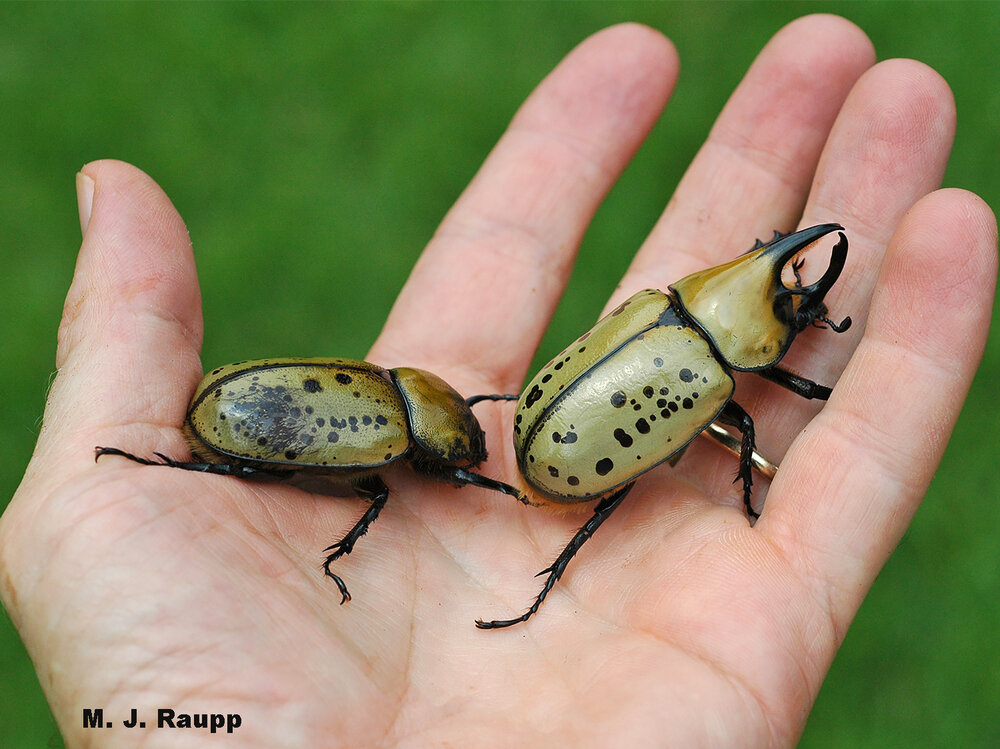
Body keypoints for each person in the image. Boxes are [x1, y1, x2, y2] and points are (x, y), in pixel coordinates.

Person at [1, 16, 995, 747]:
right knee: (638, 482)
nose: (800, 314)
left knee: (625, 481)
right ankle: (572, 561)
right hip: (573, 438)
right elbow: (779, 386)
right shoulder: (702, 361)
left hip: (581, 401)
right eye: (791, 309)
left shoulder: (662, 307)